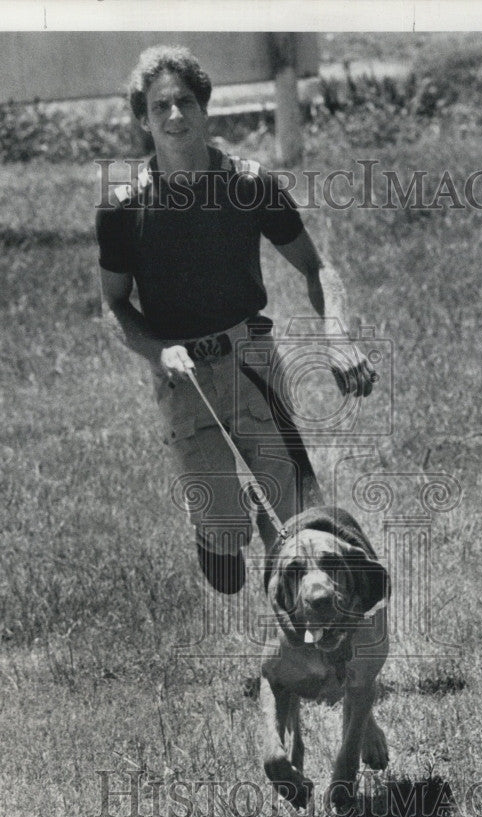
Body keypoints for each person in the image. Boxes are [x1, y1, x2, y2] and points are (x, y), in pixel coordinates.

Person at [96, 45, 377, 594]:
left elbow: (318, 268)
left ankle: (319, 646)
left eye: (184, 102)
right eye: (160, 107)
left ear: (205, 108)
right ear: (142, 119)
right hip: (183, 380)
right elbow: (115, 305)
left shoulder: (250, 185)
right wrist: (158, 350)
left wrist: (338, 338)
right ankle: (220, 523)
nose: (174, 116)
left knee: (304, 525)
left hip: (251, 365)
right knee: (226, 565)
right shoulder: (123, 208)